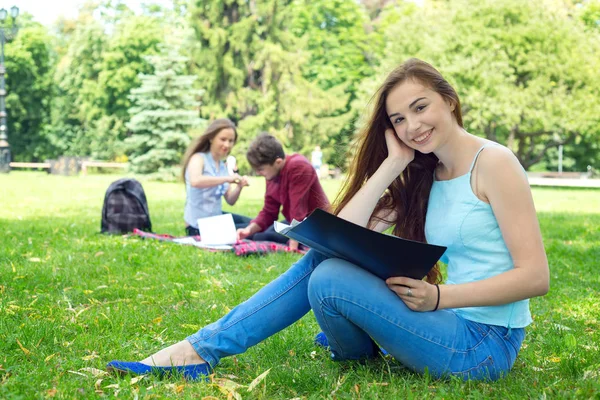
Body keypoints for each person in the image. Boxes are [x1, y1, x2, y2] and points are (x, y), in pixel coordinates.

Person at [107, 59, 549, 382]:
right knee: (325, 264)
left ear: (448, 100)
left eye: (420, 107)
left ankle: (200, 351)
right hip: (447, 324)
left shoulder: (495, 163)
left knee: (330, 280)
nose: (413, 125)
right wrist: (392, 165)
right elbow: (340, 236)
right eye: (399, 119)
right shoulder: (425, 173)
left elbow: (535, 277)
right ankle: (202, 350)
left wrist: (438, 298)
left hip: (484, 345)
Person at [236, 134, 330, 250]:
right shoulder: (272, 174)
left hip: (316, 224)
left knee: (264, 236)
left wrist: (294, 243)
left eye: (261, 169)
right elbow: (269, 211)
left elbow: (298, 208)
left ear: (278, 162)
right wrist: (248, 230)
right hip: (294, 222)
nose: (259, 173)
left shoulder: (298, 166)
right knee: (256, 234)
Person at [182, 118, 251, 235]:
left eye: (231, 141)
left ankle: (286, 232)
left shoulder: (222, 166)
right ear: (211, 138)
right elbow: (195, 181)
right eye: (223, 139)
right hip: (198, 226)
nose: (227, 144)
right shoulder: (198, 158)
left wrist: (240, 187)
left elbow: (230, 200)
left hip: (216, 219)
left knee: (255, 224)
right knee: (251, 230)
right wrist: (227, 179)